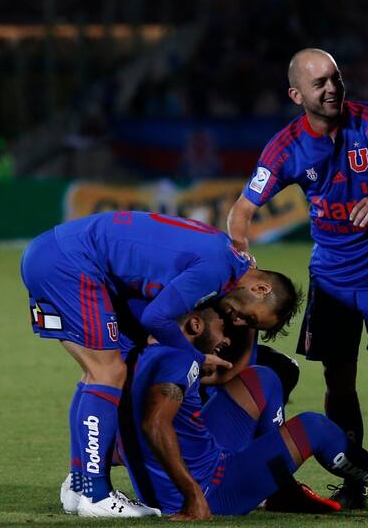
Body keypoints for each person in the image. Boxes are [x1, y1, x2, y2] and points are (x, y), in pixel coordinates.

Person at [228, 48, 368, 509]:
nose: (333, 87)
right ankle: (356, 479)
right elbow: (241, 212)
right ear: (297, 94)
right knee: (339, 385)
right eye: (319, 83)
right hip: (332, 281)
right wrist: (244, 263)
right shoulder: (285, 148)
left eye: (336, 77)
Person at [20, 210, 300, 517]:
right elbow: (157, 317)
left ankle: (81, 484)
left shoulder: (228, 258)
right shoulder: (218, 268)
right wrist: (193, 356)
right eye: (248, 317)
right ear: (261, 289)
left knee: (104, 370)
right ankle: (96, 496)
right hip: (70, 263)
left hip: (61, 256)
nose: (236, 321)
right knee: (107, 371)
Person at [119, 305, 368, 520]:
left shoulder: (146, 348)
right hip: (208, 490)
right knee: (314, 428)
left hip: (195, 464)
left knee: (261, 378)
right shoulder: (179, 362)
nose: (227, 339)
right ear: (195, 324)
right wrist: (193, 496)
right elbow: (154, 423)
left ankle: (279, 489)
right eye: (221, 329)